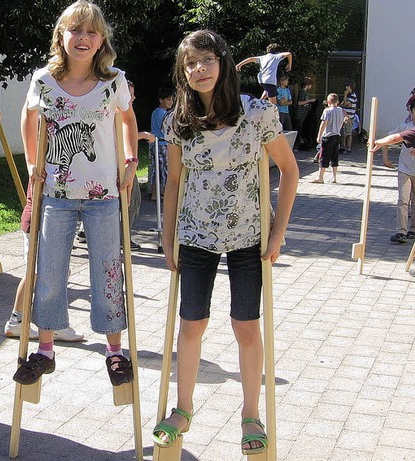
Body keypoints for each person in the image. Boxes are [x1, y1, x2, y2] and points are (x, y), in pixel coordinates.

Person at [152, 30, 298, 456]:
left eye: (206, 60)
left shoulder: (257, 113)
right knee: (191, 324)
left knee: (245, 327)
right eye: (190, 63)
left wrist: (278, 231)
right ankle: (183, 409)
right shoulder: (180, 120)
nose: (199, 69)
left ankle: (251, 413)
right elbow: (175, 181)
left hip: (248, 239)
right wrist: (166, 234)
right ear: (183, 72)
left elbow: (289, 171)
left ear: (223, 61)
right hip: (195, 235)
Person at [12, 0, 139, 387]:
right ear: (61, 36)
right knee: (49, 270)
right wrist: (34, 162)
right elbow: (28, 118)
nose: (83, 38)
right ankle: (45, 350)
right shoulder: (43, 80)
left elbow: (128, 119)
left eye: (91, 31)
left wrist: (131, 157)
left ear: (101, 40)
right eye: (75, 30)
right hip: (56, 193)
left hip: (104, 194)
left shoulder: (114, 81)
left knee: (108, 270)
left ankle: (114, 352)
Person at [3, 183, 85, 342]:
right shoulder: (44, 166)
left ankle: (26, 320)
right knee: (38, 273)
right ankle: (46, 323)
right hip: (40, 224)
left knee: (49, 272)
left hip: (41, 222)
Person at [374, 97, 415, 243]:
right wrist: (385, 159)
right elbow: (391, 138)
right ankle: (401, 232)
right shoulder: (407, 127)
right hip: (405, 169)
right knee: (403, 200)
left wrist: (379, 142)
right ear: (411, 111)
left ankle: (413, 230)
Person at [127, 80, 155, 251]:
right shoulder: (118, 111)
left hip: (126, 163)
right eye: (130, 94)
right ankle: (123, 236)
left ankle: (85, 232)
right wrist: (143, 135)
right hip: (120, 164)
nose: (134, 97)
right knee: (133, 199)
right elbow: (120, 136)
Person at [311, 93, 346, 184]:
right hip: (337, 135)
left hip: (328, 136)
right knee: (335, 156)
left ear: (328, 101)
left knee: (324, 156)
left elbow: (323, 124)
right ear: (337, 101)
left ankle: (320, 177)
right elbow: (342, 122)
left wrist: (319, 135)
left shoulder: (327, 111)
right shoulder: (340, 110)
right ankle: (334, 177)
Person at [149, 87, 174, 201]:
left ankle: (155, 193)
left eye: (172, 100)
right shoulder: (165, 114)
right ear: (161, 100)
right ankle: (166, 193)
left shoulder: (155, 112)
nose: (171, 102)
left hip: (154, 144)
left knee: (157, 170)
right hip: (162, 144)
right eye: (168, 99)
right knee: (165, 170)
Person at [295, 77, 316, 147]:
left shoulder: (306, 92)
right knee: (299, 128)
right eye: (310, 84)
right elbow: (299, 103)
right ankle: (298, 143)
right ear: (307, 84)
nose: (311, 86)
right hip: (300, 113)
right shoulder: (302, 92)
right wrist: (310, 101)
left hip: (305, 113)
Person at [340, 81, 358, 153]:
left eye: (348, 86)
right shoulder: (348, 96)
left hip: (349, 117)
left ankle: (348, 148)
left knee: (348, 133)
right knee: (343, 132)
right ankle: (342, 146)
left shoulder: (352, 96)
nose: (346, 88)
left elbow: (347, 104)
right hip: (343, 116)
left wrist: (345, 95)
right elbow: (342, 104)